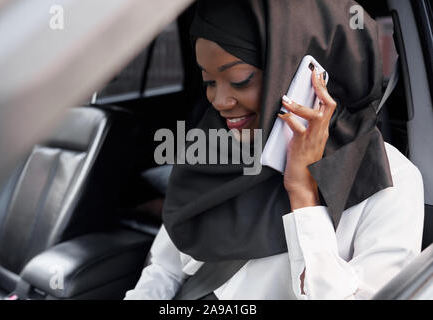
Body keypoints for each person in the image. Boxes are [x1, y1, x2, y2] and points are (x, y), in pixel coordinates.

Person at [125, 0, 424, 300]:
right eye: (209, 82)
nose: (219, 101)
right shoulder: (212, 148)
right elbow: (164, 269)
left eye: (240, 80)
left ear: (312, 75)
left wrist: (304, 196)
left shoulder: (392, 183)